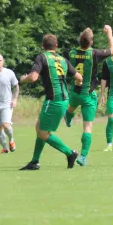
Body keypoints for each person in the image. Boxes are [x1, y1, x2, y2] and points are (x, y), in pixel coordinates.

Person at [19, 34, 83, 170]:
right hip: (63, 99)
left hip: (54, 101)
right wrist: (74, 86)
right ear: (56, 46)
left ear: (43, 45)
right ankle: (34, 161)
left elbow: (34, 77)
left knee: (43, 133)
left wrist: (23, 79)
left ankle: (69, 153)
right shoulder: (63, 60)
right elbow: (79, 77)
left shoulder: (42, 57)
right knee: (39, 127)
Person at [64, 25, 113, 166]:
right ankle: (83, 156)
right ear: (91, 42)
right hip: (88, 95)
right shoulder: (94, 54)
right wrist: (109, 33)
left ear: (79, 39)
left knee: (72, 106)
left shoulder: (70, 52)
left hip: (74, 92)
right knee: (87, 127)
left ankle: (68, 115)